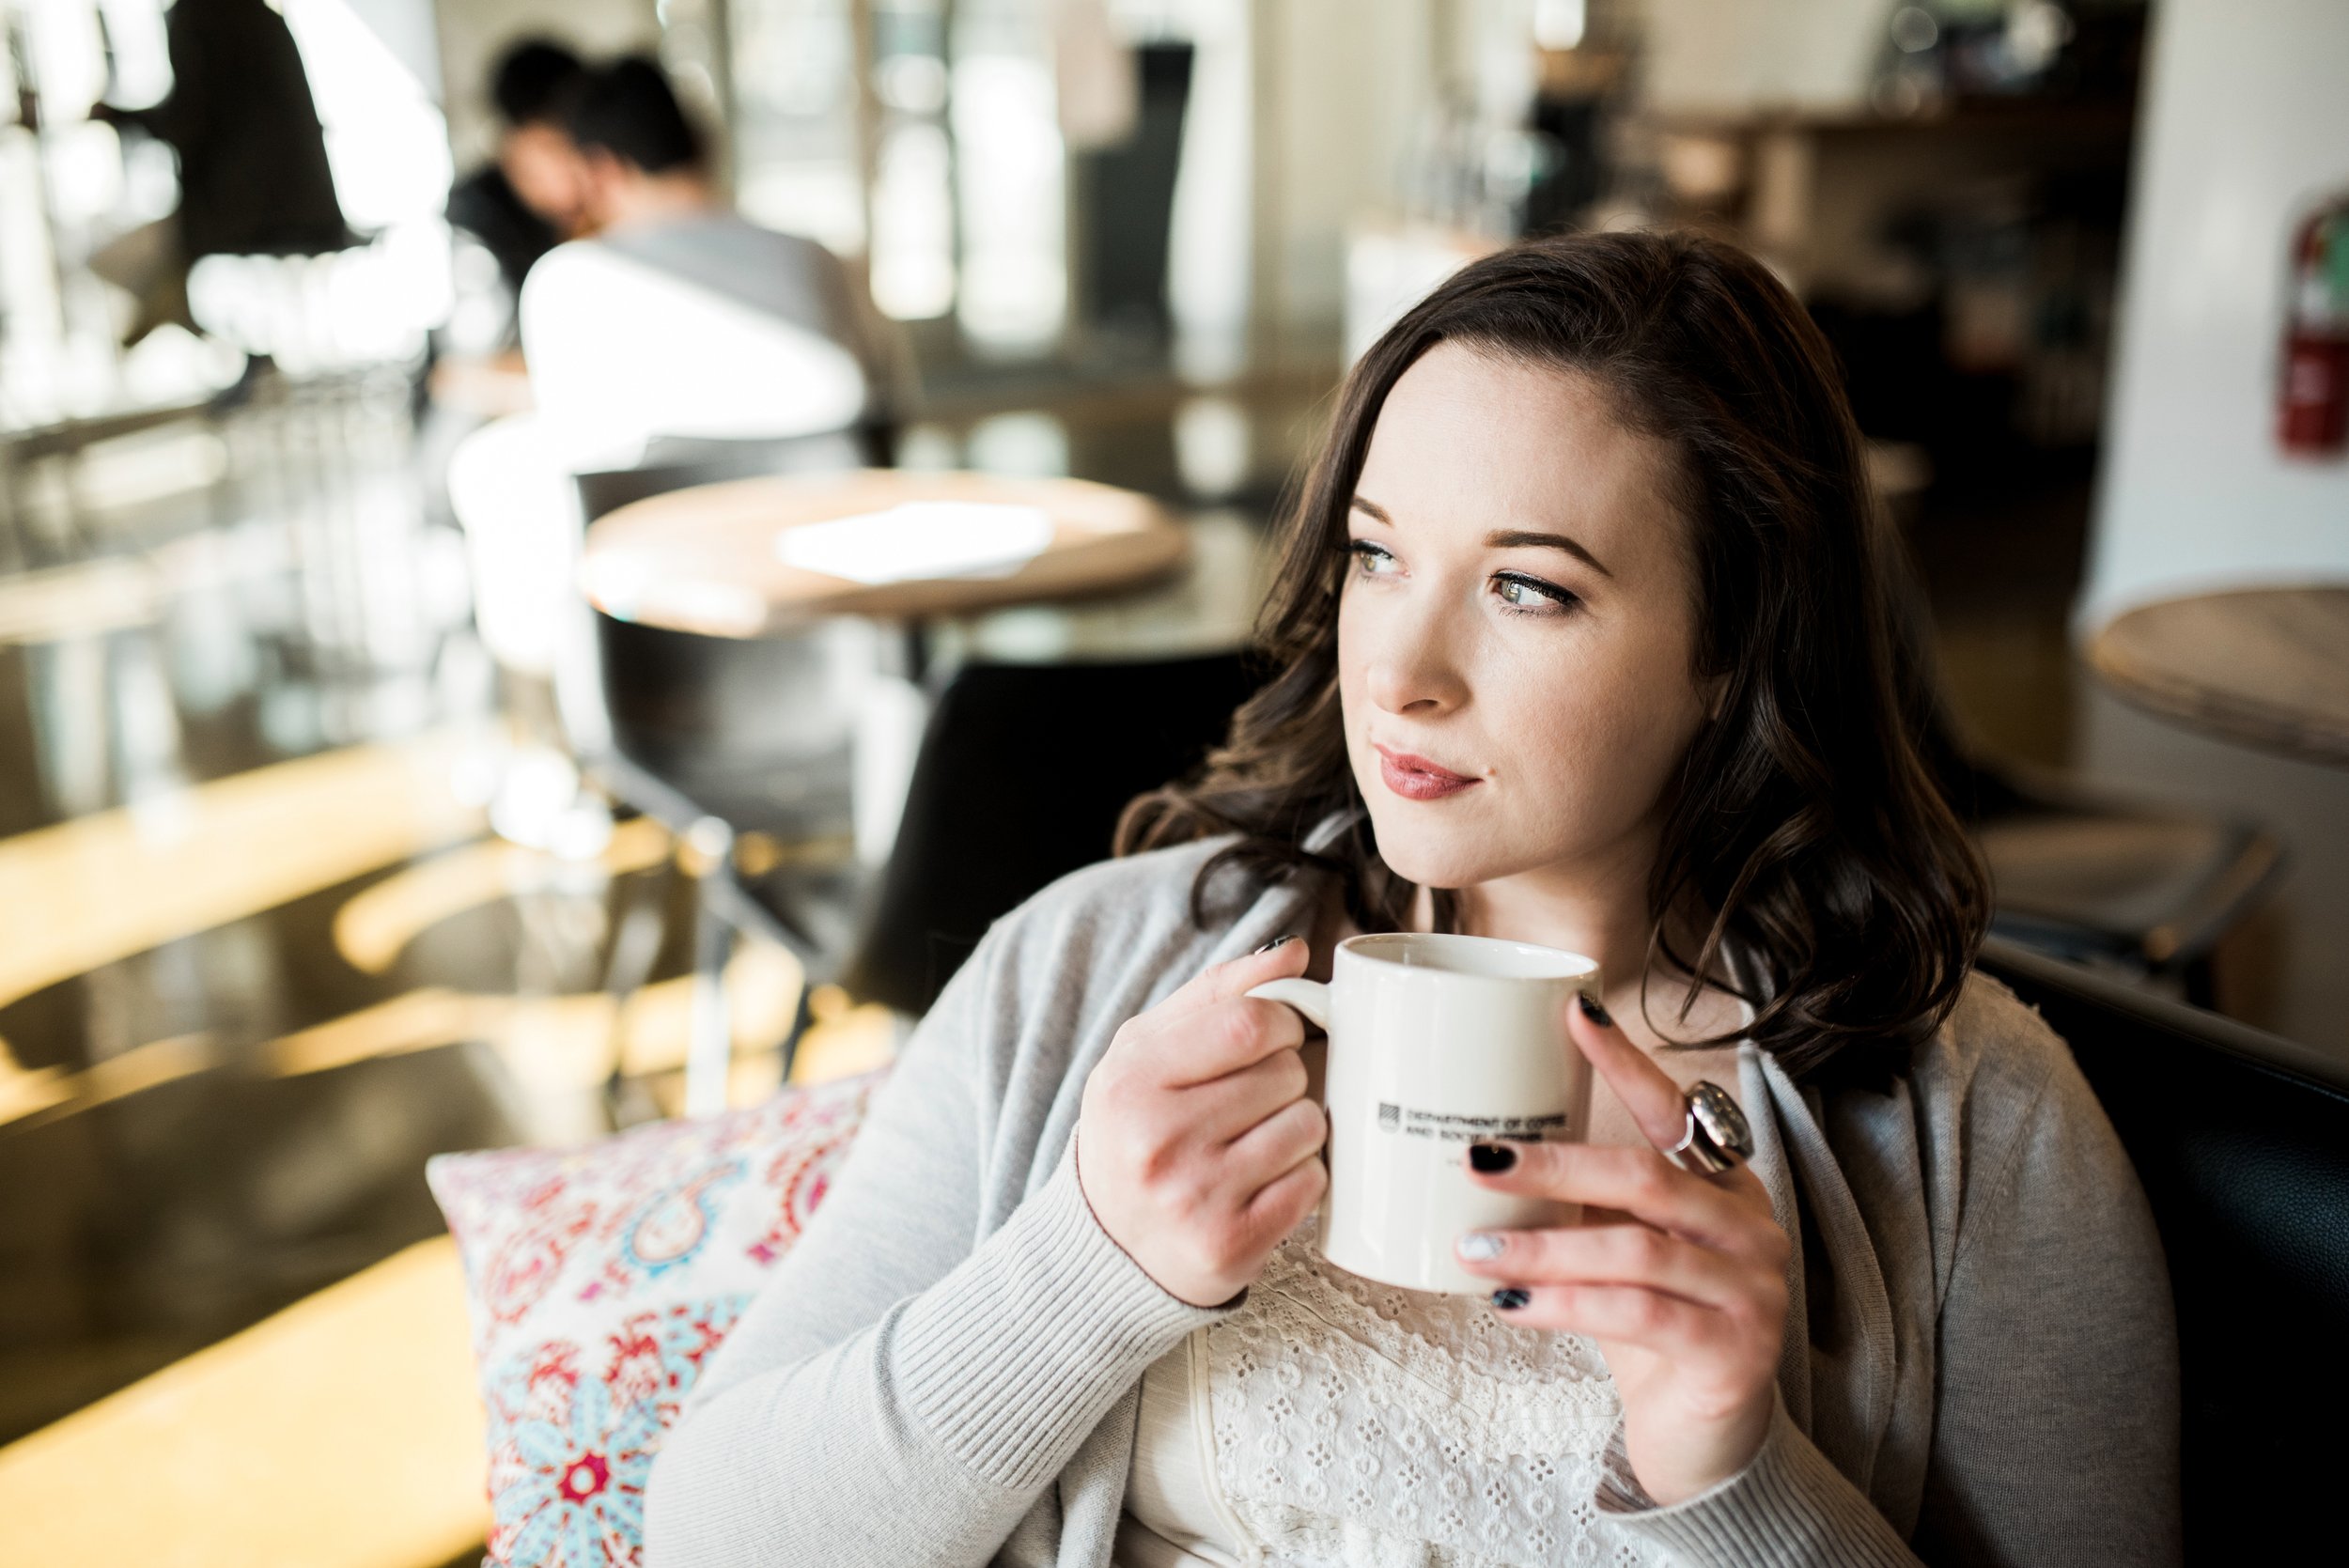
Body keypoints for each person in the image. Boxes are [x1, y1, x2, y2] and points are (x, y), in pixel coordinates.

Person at [641, 232, 2180, 1566]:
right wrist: (1089, 1263)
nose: (1399, 671)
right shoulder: (1100, 962)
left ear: (1736, 648)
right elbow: (708, 1533)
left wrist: (1731, 1468)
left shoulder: (1980, 1126)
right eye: (1377, 554)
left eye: (1529, 585)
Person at [517, 55, 897, 462]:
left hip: (661, 518)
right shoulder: (815, 255)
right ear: (699, 141)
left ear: (601, 169)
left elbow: (576, 442)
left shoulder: (569, 278)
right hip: (825, 508)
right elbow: (885, 409)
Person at [89, 0, 350, 347]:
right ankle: (184, 310)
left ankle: (190, 316)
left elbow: (190, 122)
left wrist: (122, 118)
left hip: (253, 207)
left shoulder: (203, 14)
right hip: (289, 202)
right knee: (136, 260)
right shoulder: (247, 12)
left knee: (111, 260)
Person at [445, 39, 592, 303]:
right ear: (511, 145)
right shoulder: (475, 218)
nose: (578, 167)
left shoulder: (604, 202)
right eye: (555, 147)